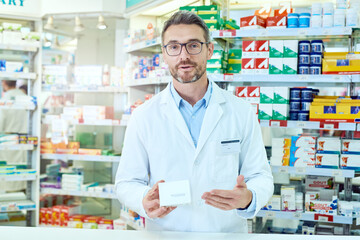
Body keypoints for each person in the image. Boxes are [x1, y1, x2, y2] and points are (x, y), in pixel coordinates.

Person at [115, 11, 273, 232]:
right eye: (173, 46)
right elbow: (126, 182)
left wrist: (249, 197)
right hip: (167, 234)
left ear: (209, 50)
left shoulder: (241, 111)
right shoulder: (144, 116)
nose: (183, 55)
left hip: (224, 234)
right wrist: (143, 199)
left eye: (193, 45)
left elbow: (260, 176)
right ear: (163, 54)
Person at [0, 80, 28, 193]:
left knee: (9, 182)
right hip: (26, 141)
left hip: (8, 141)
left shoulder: (4, 100)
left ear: (4, 83)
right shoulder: (25, 97)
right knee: (22, 180)